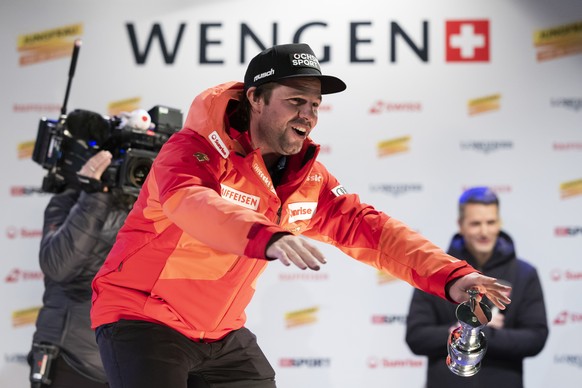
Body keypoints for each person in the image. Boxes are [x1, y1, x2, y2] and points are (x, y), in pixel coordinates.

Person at [90, 43, 511, 388]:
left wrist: (452, 277)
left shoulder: (306, 178)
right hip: (142, 318)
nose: (307, 115)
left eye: (314, 104)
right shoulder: (192, 149)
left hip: (220, 333)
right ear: (254, 98)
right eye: (295, 101)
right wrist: (266, 235)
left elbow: (372, 231)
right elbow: (191, 204)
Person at [405, 186, 548, 388]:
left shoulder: (525, 274)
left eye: (490, 222)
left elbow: (536, 338)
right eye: (475, 224)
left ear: (499, 222)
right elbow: (416, 337)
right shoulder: (435, 272)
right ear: (460, 225)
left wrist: (478, 331)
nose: (484, 231)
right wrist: (462, 330)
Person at [28, 146, 137, 388]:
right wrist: (94, 195)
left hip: (128, 362)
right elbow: (58, 265)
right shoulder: (71, 199)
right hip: (71, 358)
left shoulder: (149, 207)